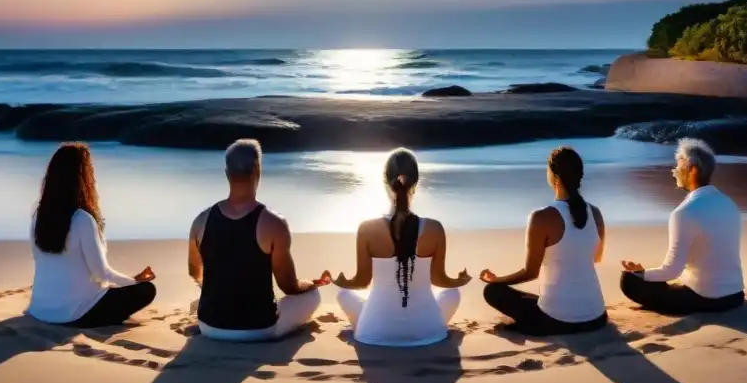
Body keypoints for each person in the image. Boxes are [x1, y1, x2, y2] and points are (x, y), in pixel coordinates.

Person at [188, 138, 327, 341]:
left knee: (199, 298)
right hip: (257, 329)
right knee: (312, 296)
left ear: (227, 173)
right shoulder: (274, 223)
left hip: (210, 326)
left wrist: (221, 288)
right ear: (257, 171)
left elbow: (195, 272)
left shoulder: (201, 221)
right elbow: (288, 286)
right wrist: (309, 284)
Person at [330, 148, 471, 347]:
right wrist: (460, 280)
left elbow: (362, 281)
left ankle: (366, 322)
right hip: (430, 331)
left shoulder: (367, 228)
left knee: (343, 294)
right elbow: (440, 280)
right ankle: (423, 323)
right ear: (416, 183)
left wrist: (342, 281)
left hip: (373, 332)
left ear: (385, 183)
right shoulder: (434, 228)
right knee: (453, 292)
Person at [480, 146, 607, 336]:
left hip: (556, 322)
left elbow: (530, 272)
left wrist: (497, 280)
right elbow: (596, 258)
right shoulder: (595, 213)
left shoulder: (541, 217)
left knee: (492, 291)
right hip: (597, 318)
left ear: (554, 176)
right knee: (540, 298)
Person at [26, 142, 156, 328]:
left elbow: (41, 260)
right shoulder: (82, 219)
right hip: (76, 313)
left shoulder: (38, 214)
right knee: (147, 290)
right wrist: (134, 282)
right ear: (83, 177)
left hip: (39, 309)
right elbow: (101, 273)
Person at [620, 138, 745, 315]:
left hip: (706, 298)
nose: (674, 171)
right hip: (735, 296)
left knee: (628, 280)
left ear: (693, 169)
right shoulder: (729, 204)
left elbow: (672, 270)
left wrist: (641, 274)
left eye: (678, 166)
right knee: (658, 279)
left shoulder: (684, 213)